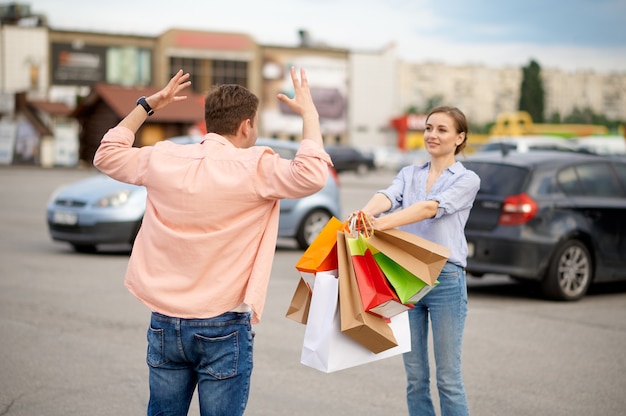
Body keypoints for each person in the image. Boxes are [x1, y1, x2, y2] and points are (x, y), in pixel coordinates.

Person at [93, 67, 332, 416]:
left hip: (165, 319)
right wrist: (309, 113)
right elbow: (312, 173)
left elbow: (107, 153)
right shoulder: (256, 167)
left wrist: (149, 104)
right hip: (223, 322)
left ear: (209, 121)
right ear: (246, 125)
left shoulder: (163, 157)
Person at [355, 106, 480, 416]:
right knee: (415, 377)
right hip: (405, 279)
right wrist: (365, 214)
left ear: (459, 137)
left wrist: (381, 224)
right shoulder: (409, 173)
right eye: (428, 128)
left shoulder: (467, 180)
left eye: (441, 129)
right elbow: (388, 195)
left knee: (448, 379)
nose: (432, 135)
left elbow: (429, 208)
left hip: (446, 280)